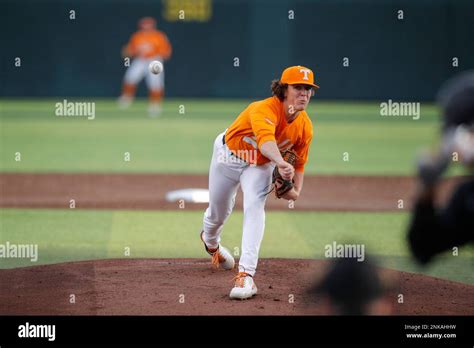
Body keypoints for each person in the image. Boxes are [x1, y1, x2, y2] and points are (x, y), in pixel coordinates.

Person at [200, 65, 318, 299]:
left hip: (260, 165)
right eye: (298, 88)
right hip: (228, 156)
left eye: (308, 89)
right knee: (218, 212)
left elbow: (301, 164)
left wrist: (296, 192)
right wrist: (281, 163)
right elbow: (266, 142)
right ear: (284, 90)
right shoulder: (263, 108)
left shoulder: (305, 127)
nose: (304, 93)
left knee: (254, 207)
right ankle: (210, 242)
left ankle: (246, 275)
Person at [407, 71, 474, 264]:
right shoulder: (467, 197)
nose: (455, 145)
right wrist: (428, 187)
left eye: (465, 134)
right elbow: (424, 247)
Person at [118, 17, 172, 117]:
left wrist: (157, 54)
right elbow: (130, 50)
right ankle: (127, 98)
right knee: (130, 77)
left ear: (153, 26)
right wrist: (128, 51)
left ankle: (155, 105)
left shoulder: (159, 36)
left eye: (148, 25)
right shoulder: (137, 36)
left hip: (154, 60)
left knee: (155, 83)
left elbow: (166, 51)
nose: (146, 27)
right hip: (141, 60)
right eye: (144, 25)